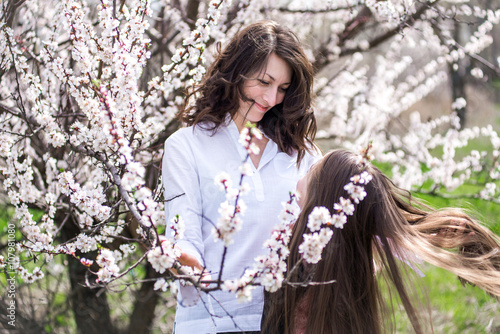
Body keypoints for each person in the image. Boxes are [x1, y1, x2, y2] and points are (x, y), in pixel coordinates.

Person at [162, 20, 320, 333]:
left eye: (283, 89)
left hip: (283, 320)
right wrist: (193, 267)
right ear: (237, 72)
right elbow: (183, 234)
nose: (272, 98)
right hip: (210, 320)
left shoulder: (300, 153)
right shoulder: (186, 146)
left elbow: (335, 219)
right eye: (264, 82)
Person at [263, 149, 500, 334]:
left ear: (322, 195)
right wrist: (428, 235)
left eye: (311, 169)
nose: (302, 173)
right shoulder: (350, 239)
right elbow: (391, 237)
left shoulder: (309, 245)